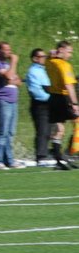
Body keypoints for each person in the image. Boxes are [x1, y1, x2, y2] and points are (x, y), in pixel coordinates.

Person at [0, 42, 23, 170]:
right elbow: (8, 76)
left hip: (13, 100)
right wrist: (13, 62)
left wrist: (10, 79)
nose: (9, 52)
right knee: (3, 131)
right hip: (3, 100)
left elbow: (18, 81)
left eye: (10, 49)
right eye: (6, 49)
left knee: (10, 132)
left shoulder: (7, 65)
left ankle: (9, 159)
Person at [45, 41, 79, 170]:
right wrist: (75, 103)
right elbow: (69, 86)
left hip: (53, 97)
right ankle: (68, 154)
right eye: (69, 52)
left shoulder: (50, 62)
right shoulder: (64, 65)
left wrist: (50, 54)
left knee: (59, 130)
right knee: (77, 123)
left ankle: (59, 160)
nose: (70, 55)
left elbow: (47, 58)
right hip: (63, 98)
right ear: (61, 50)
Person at [25, 48, 52, 165]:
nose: (44, 58)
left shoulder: (43, 70)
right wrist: (50, 98)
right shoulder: (34, 71)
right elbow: (38, 91)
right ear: (35, 59)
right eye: (42, 56)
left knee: (48, 131)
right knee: (42, 130)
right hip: (40, 103)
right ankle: (40, 156)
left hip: (48, 102)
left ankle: (45, 152)